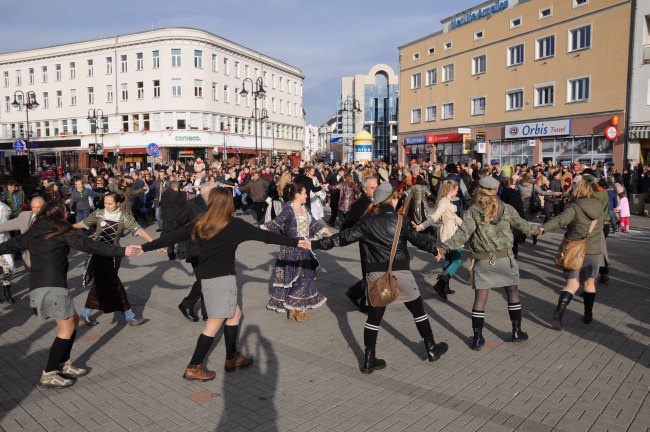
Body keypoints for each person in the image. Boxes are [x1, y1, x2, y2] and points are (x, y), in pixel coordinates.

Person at [139, 187, 311, 382]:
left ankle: (231, 357)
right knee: (213, 325)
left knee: (235, 314)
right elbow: (267, 237)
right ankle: (194, 366)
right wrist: (296, 242)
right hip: (221, 280)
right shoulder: (235, 225)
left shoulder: (203, 222)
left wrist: (144, 247)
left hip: (211, 278)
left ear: (212, 203)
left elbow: (172, 237)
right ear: (229, 203)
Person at [0, 200, 138, 388]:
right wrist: (122, 250)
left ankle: (63, 363)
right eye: (65, 211)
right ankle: (48, 373)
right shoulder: (61, 232)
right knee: (66, 331)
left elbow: (7, 245)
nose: (68, 213)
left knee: (72, 321)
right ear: (58, 214)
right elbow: (90, 245)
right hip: (53, 286)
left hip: (41, 285)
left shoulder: (32, 233)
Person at [314, 182, 448, 373]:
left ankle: (369, 360)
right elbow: (419, 240)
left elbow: (341, 238)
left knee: (374, 317)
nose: (397, 200)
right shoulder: (400, 220)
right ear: (391, 199)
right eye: (396, 197)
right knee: (418, 310)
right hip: (401, 273)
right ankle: (431, 348)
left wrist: (315, 245)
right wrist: (435, 249)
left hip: (376, 276)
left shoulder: (366, 222)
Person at [437, 176, 541, 351]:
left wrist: (442, 249)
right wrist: (538, 230)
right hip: (505, 259)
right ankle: (516, 331)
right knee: (513, 294)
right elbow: (524, 226)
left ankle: (477, 339)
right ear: (496, 191)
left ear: (479, 189)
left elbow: (462, 235)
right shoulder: (506, 209)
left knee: (480, 299)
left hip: (483, 261)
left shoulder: (473, 211)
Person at [73, 193, 153, 326]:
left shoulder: (124, 217)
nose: (107, 206)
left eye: (110, 203)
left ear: (117, 203)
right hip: (98, 253)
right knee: (113, 284)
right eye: (105, 203)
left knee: (102, 283)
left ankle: (86, 312)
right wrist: (67, 227)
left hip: (114, 255)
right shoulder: (98, 214)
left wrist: (153, 243)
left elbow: (138, 229)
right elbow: (84, 223)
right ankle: (129, 316)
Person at [541, 180, 604, 330]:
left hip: (575, 251)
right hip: (594, 251)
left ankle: (559, 313)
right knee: (589, 283)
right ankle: (588, 315)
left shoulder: (574, 207)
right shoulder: (599, 206)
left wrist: (542, 228)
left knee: (572, 285)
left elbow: (560, 221)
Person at [264, 183, 330, 322]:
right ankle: (295, 306)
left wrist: (326, 232)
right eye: (305, 193)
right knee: (300, 279)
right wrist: (258, 231)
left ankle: (296, 308)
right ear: (297, 195)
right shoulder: (288, 209)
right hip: (292, 249)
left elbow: (313, 224)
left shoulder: (305, 208)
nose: (307, 195)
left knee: (306, 278)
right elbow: (275, 224)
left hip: (305, 248)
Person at [415, 180, 463, 299]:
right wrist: (421, 226)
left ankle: (444, 285)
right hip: (449, 234)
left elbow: (455, 218)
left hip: (449, 232)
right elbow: (434, 217)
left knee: (449, 260)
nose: (457, 192)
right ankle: (440, 284)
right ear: (451, 190)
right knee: (457, 261)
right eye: (456, 190)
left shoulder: (447, 201)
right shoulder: (444, 202)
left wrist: (470, 227)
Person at [176, 182, 216, 322]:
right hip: (195, 248)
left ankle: (207, 312)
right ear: (207, 193)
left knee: (207, 280)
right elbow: (177, 222)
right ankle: (186, 304)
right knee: (205, 280)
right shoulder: (191, 204)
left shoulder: (212, 204)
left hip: (210, 247)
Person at [341, 176, 378, 311]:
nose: (376, 190)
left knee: (376, 273)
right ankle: (363, 302)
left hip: (378, 243)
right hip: (367, 244)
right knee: (371, 273)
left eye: (377, 186)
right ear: (364, 189)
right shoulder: (360, 204)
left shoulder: (379, 201)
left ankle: (356, 293)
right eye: (372, 188)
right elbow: (349, 225)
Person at [160, 180, 187, 260]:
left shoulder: (164, 194)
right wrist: (183, 193)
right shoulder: (177, 195)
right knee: (180, 236)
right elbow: (183, 202)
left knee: (170, 237)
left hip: (166, 219)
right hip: (176, 219)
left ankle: (171, 254)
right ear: (176, 187)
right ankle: (181, 253)